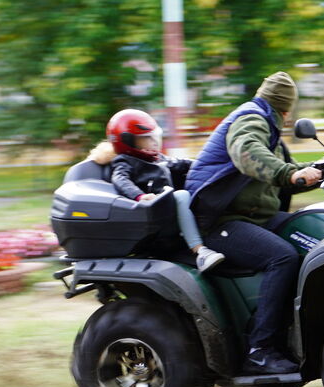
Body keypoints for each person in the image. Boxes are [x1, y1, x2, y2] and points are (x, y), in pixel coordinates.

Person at [184, 71, 322, 375]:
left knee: (310, 233)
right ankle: (260, 350)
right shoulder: (251, 119)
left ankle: (291, 334)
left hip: (254, 218)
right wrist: (292, 174)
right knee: (282, 257)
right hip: (220, 221)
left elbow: (287, 172)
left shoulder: (269, 131)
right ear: (286, 110)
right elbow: (248, 154)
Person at [88, 109, 226, 272]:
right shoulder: (125, 162)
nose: (154, 142)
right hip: (156, 215)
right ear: (129, 142)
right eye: (146, 138)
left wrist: (216, 165)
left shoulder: (158, 159)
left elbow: (184, 163)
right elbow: (121, 180)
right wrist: (140, 196)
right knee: (181, 196)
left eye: (154, 136)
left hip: (168, 211)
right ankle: (200, 252)